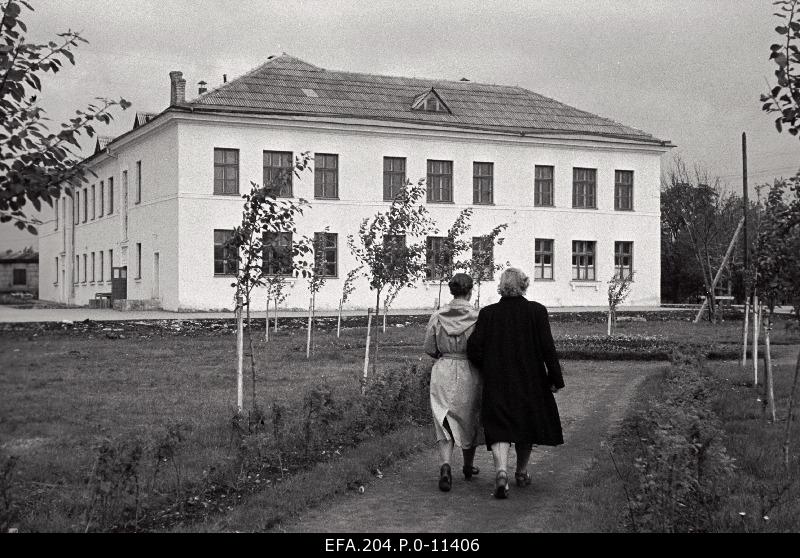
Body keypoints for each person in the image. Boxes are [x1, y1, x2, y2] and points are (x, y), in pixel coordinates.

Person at [466, 267, 564, 499]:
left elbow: (474, 349)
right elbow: (547, 348)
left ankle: (501, 471)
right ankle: (520, 472)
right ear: (524, 285)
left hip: (498, 379)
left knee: (499, 426)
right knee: (525, 425)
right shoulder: (536, 311)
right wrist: (555, 379)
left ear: (501, 286)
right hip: (530, 379)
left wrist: (488, 365)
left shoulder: (488, 314)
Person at [424, 273, 483, 492]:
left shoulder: (438, 316)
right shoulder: (477, 317)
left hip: (444, 369)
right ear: (470, 291)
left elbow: (430, 347)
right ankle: (468, 466)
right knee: (470, 416)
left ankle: (446, 465)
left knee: (444, 419)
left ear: (451, 291)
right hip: (470, 369)